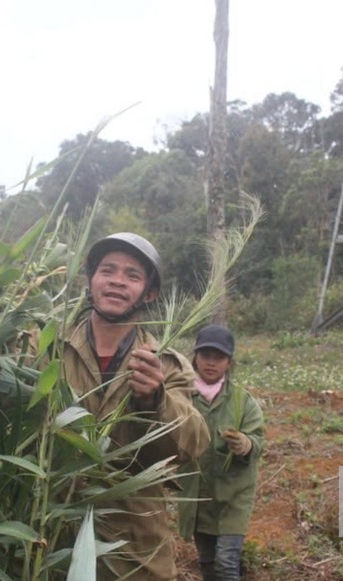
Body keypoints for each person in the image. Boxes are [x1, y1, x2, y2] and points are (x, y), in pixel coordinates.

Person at [61, 232, 210, 580]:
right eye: (107, 270)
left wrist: (155, 402)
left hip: (132, 551)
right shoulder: (50, 348)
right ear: (91, 281)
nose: (116, 282)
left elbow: (191, 445)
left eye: (132, 275)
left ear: (150, 292)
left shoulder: (166, 365)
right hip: (52, 538)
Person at [177, 324, 265, 581]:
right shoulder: (182, 397)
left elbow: (258, 440)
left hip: (232, 496)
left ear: (229, 362)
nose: (211, 363)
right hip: (197, 496)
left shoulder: (242, 401)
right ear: (195, 357)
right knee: (207, 562)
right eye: (206, 356)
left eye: (219, 358)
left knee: (226, 563)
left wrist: (245, 444)